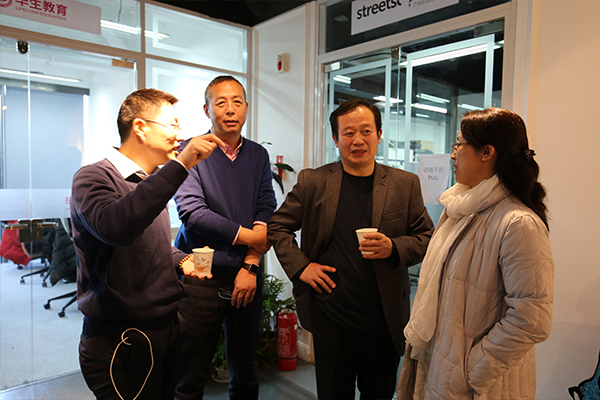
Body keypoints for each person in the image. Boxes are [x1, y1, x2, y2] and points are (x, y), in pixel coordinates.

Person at [267, 98, 434, 400]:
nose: (358, 140)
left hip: (384, 322)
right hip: (331, 318)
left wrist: (393, 247)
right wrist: (302, 267)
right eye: (348, 133)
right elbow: (277, 226)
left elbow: (426, 237)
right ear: (336, 139)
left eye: (366, 131)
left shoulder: (404, 184)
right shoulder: (314, 182)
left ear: (379, 135)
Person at [71, 88, 223, 400]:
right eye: (173, 125)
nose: (179, 135)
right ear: (140, 127)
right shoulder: (93, 177)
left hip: (163, 325)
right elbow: (116, 227)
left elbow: (148, 245)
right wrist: (181, 165)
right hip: (120, 336)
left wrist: (181, 259)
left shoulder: (148, 181)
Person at [397, 107, 555, 400]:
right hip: (442, 364)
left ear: (487, 152)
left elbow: (531, 320)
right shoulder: (460, 209)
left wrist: (471, 370)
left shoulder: (518, 223)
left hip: (481, 386)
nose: (453, 154)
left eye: (458, 144)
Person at [173, 76, 277, 400]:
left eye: (237, 102)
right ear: (207, 110)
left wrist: (250, 264)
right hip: (200, 268)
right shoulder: (190, 150)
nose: (230, 110)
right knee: (191, 370)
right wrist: (250, 238)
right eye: (221, 102)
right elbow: (192, 212)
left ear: (246, 107)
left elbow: (266, 205)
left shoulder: (258, 154)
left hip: (246, 271)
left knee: (245, 370)